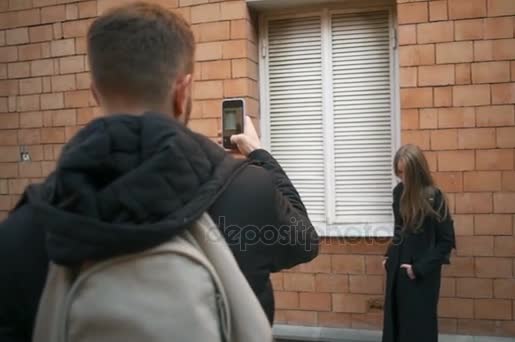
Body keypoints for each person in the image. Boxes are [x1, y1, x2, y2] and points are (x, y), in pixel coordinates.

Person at [0, 3, 319, 341]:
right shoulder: (251, 191)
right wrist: (259, 155)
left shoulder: (24, 228)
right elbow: (306, 243)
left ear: (96, 91)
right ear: (182, 93)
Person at [382, 144, 456, 342]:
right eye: (398, 172)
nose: (401, 178)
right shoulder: (398, 192)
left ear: (417, 170)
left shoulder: (434, 197)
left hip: (422, 276)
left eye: (405, 173)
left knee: (418, 330)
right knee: (395, 327)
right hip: (397, 270)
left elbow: (446, 242)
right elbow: (399, 230)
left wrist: (418, 269)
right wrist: (389, 256)